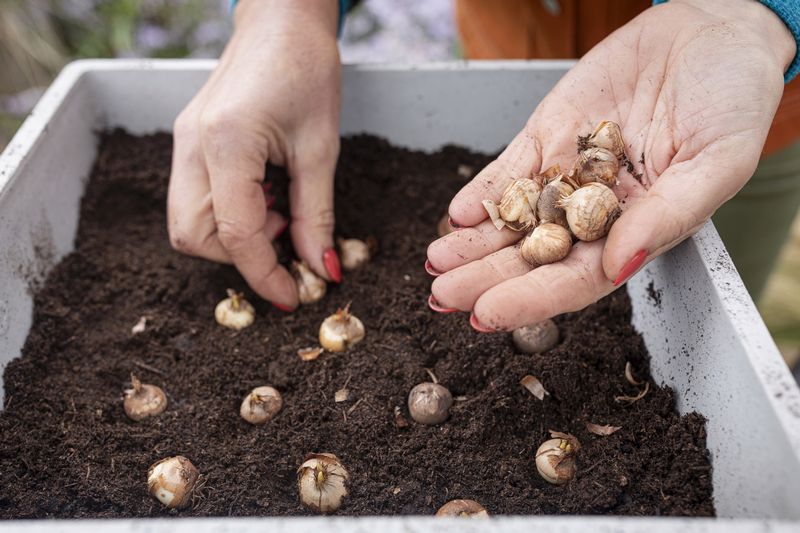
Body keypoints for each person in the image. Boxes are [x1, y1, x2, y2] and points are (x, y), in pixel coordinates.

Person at [167, 0, 799, 332]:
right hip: (517, 36)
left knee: (721, 296)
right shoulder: (568, 181)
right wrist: (285, 10)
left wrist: (757, 12)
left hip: (741, 92)